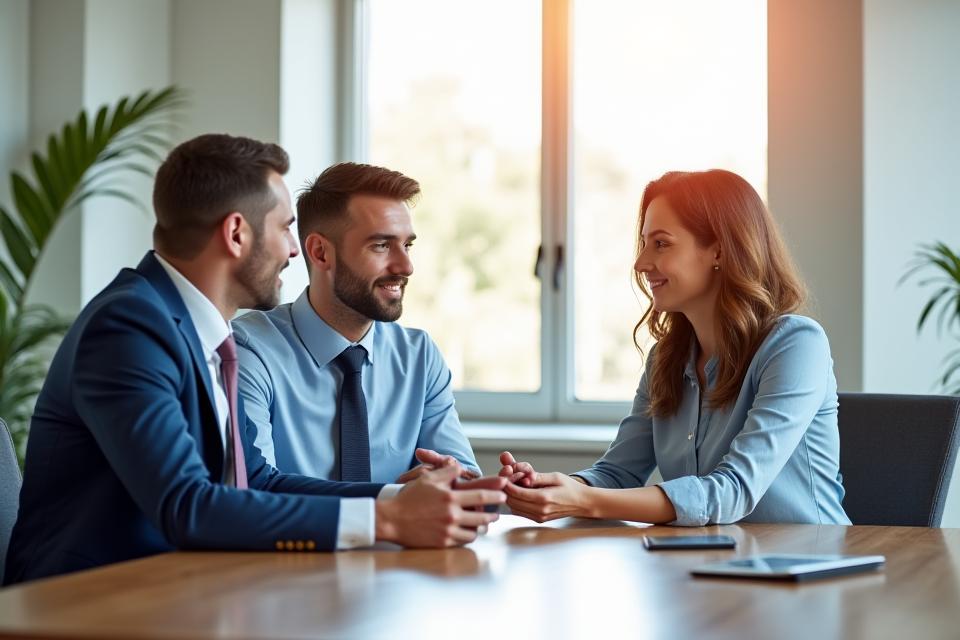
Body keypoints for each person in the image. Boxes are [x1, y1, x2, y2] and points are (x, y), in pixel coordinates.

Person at [4, 134, 504, 585]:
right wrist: (387, 520)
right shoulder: (129, 327)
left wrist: (398, 501)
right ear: (237, 234)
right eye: (286, 228)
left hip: (182, 594)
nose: (294, 250)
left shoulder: (196, 331)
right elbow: (187, 504)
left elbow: (256, 481)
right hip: (84, 607)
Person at [499, 169, 850, 526]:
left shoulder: (795, 345)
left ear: (718, 250)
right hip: (708, 568)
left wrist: (584, 500)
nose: (640, 263)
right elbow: (618, 474)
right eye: (644, 243)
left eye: (661, 244)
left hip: (809, 568)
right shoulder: (665, 360)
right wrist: (559, 488)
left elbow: (732, 492)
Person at [233, 162, 479, 484]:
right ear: (321, 253)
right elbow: (253, 495)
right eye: (381, 245)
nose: (406, 265)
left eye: (407, 245)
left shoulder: (419, 357)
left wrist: (457, 484)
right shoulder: (250, 351)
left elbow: (465, 482)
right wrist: (392, 501)